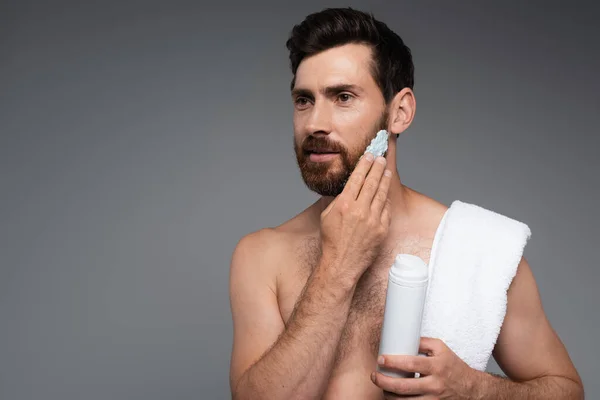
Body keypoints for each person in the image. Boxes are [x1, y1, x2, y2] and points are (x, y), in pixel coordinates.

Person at [228, 7, 583, 400]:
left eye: (343, 97)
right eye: (303, 100)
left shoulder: (481, 249)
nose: (315, 123)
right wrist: (338, 265)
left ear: (400, 112)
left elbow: (567, 391)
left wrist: (474, 388)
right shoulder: (261, 256)